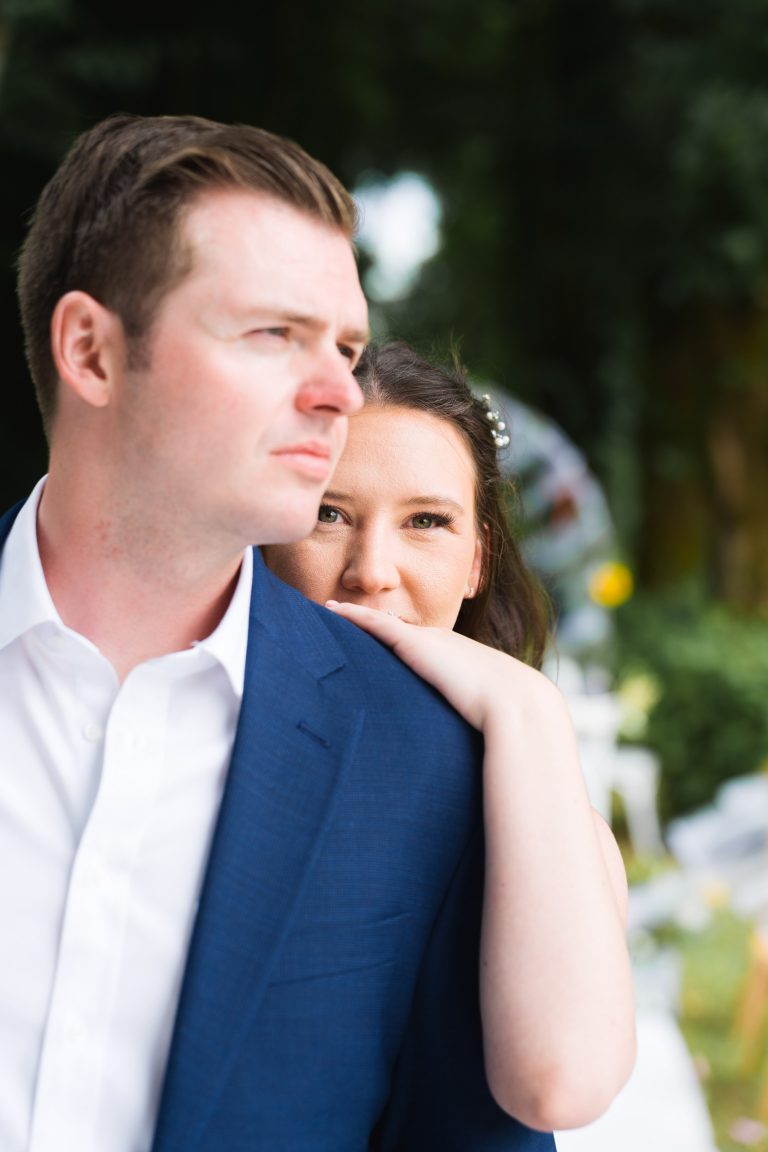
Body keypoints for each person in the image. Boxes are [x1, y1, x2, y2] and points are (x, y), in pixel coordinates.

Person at [0, 113, 555, 1152]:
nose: (340, 393)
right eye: (273, 335)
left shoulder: (427, 764)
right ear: (91, 351)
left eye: (344, 346)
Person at [264, 341, 637, 1126]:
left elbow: (561, 1086)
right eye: (328, 513)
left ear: (476, 561)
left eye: (426, 522)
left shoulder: (542, 816)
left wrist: (527, 706)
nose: (372, 570)